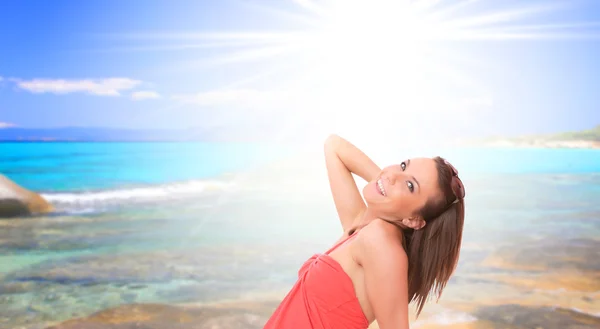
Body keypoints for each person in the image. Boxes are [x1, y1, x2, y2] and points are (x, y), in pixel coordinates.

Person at [263, 134, 466, 329]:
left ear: (413, 220)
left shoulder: (381, 243)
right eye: (403, 165)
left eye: (410, 185)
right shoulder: (361, 225)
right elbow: (334, 146)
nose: (394, 174)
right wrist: (387, 186)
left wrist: (388, 190)